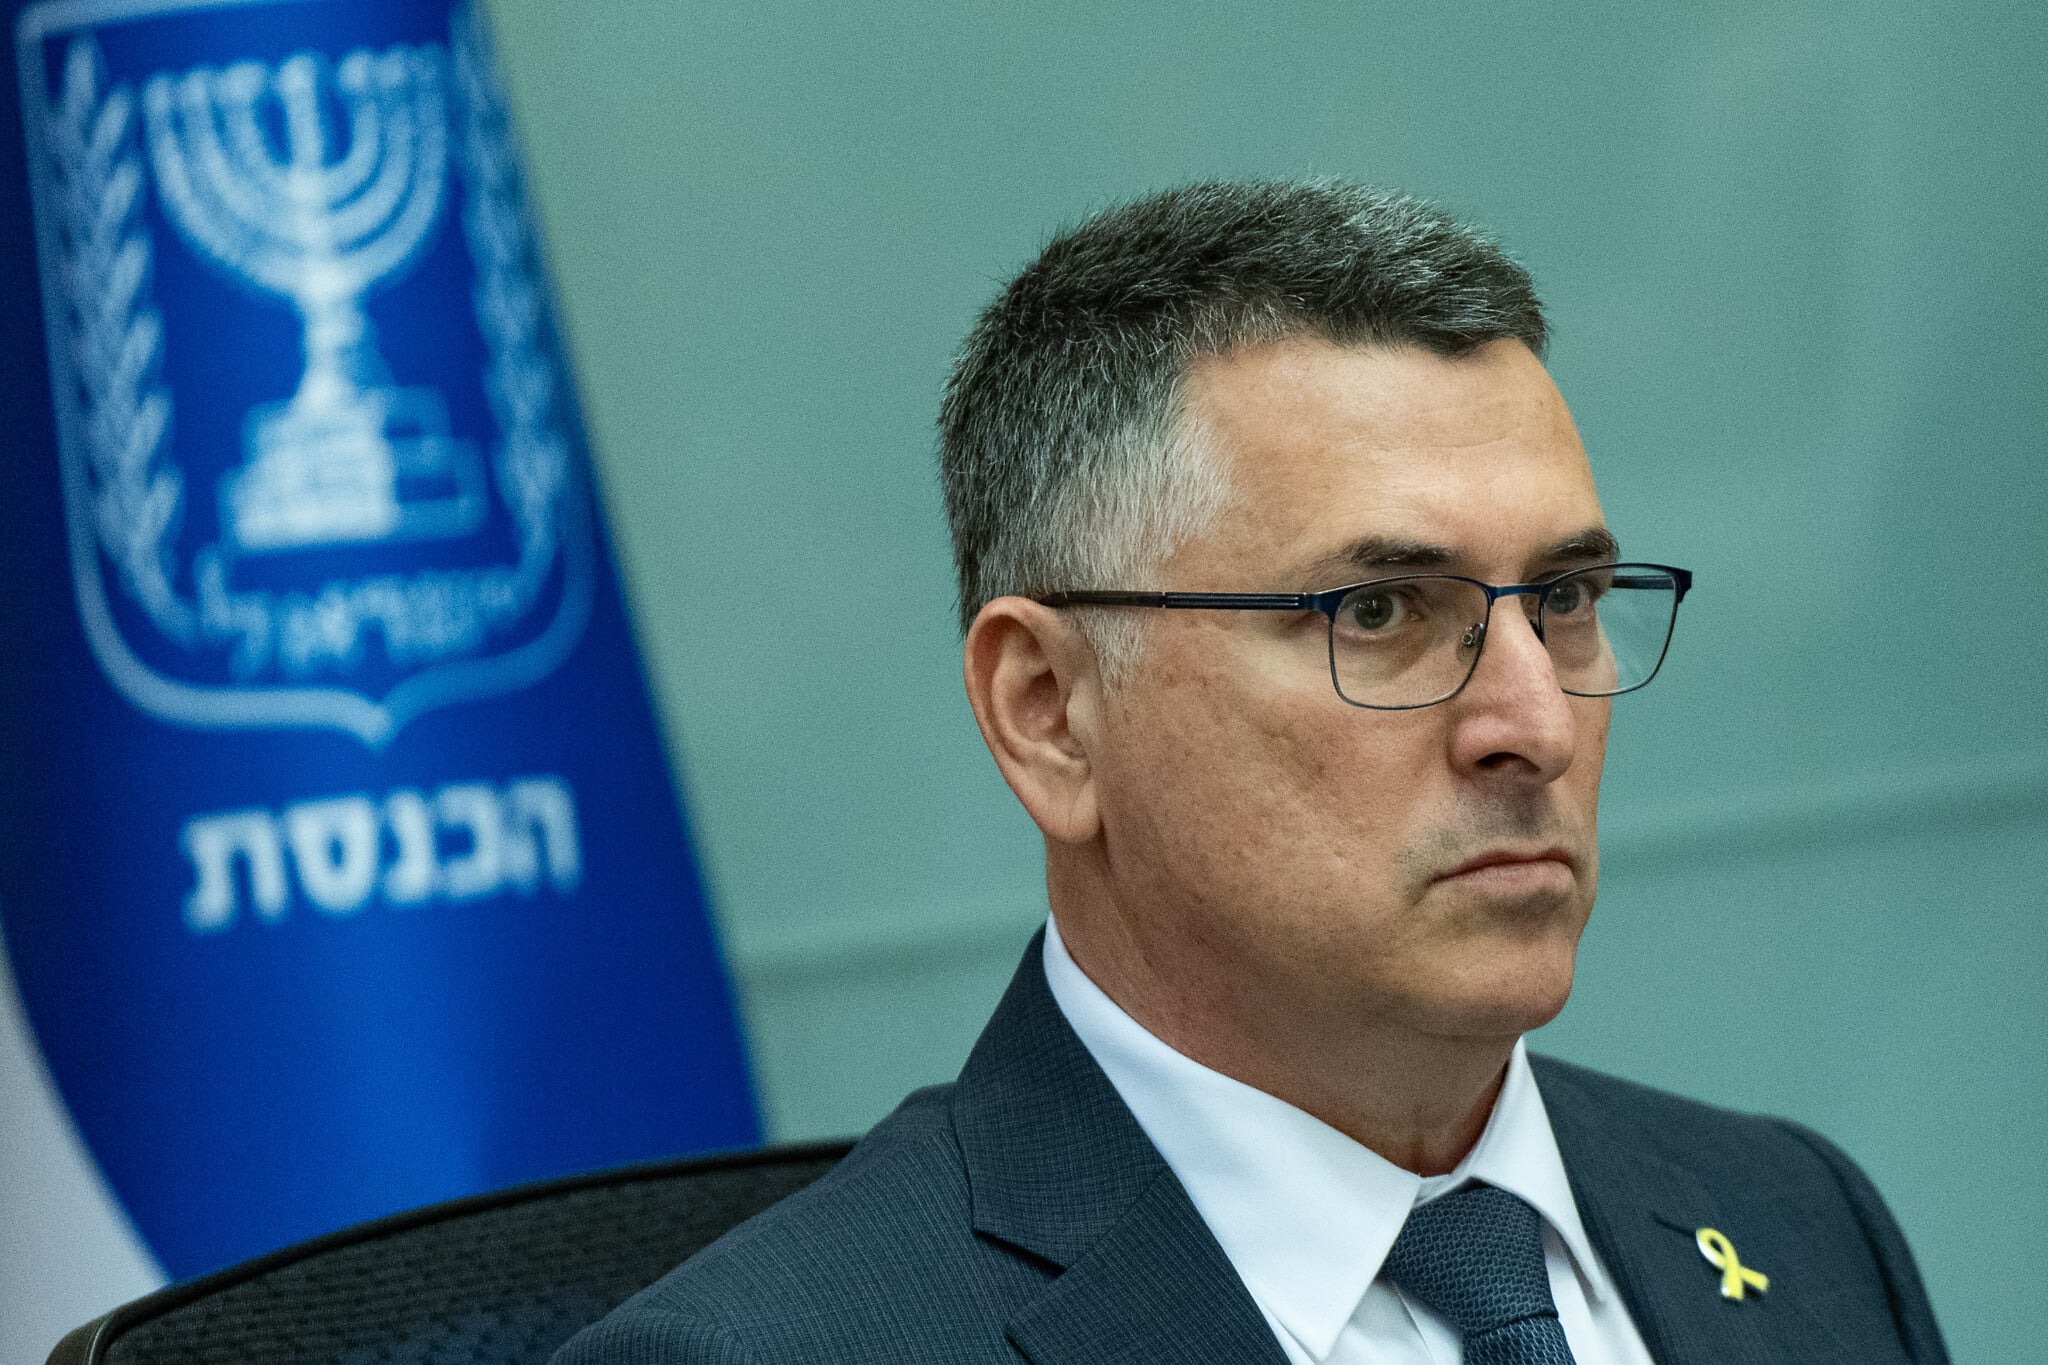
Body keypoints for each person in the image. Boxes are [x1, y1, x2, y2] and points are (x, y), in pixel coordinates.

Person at [556, 180, 1948, 1364]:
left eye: (1566, 599)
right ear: (1050, 714)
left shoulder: (1796, 1221)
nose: (1538, 723)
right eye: (1379, 612)